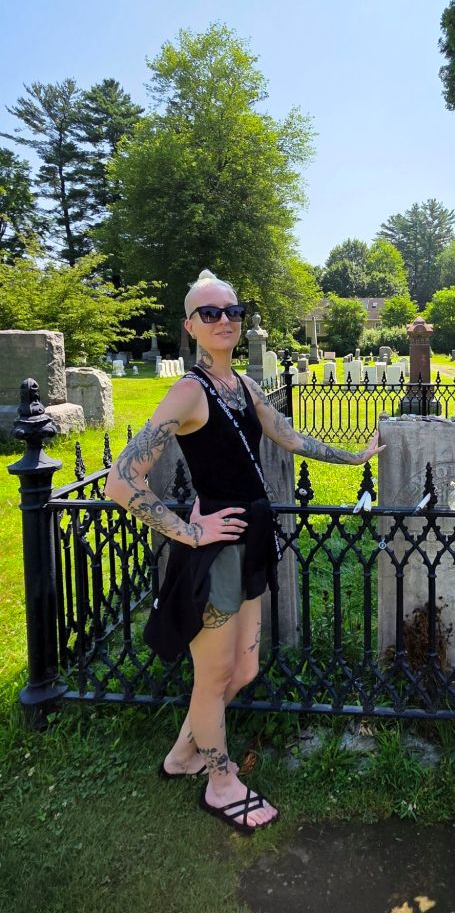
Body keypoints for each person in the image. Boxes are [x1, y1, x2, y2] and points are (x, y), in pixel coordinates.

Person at [105, 269, 384, 835]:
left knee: (246, 667)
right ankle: (219, 778)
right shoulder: (188, 392)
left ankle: (184, 751)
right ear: (190, 326)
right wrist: (189, 530)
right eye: (211, 313)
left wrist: (355, 458)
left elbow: (286, 434)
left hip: (252, 540)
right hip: (217, 551)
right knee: (213, 677)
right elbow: (120, 481)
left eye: (232, 310)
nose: (225, 320)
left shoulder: (243, 387)